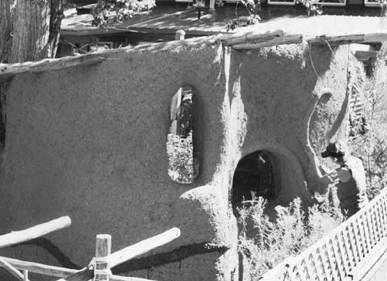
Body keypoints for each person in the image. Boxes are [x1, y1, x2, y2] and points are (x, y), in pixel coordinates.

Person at [321, 141, 368, 216]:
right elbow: (339, 173)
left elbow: (321, 181)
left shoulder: (343, 172)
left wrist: (312, 160)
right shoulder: (355, 161)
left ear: (335, 159)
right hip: (365, 207)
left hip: (354, 216)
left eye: (329, 157)